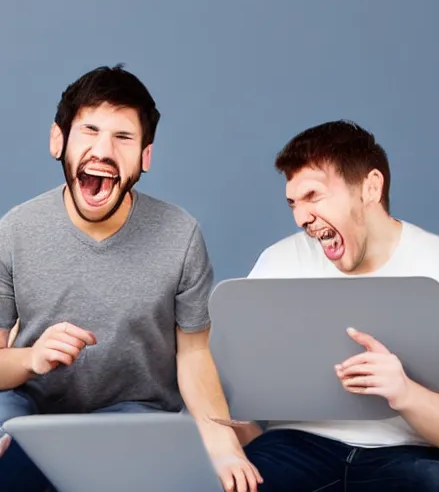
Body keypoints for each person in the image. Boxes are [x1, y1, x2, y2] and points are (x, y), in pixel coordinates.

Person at [0, 64, 262, 492]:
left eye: (123, 137)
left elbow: (194, 356)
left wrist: (223, 441)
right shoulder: (14, 231)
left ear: (145, 156)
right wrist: (31, 357)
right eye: (89, 130)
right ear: (57, 140)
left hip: (133, 412)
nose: (103, 150)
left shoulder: (180, 234)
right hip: (31, 409)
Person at [239, 120, 439, 491]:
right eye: (293, 203)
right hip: (296, 446)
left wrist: (404, 393)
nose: (300, 217)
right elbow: (230, 381)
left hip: (413, 453)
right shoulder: (278, 264)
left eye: (313, 196)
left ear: (371, 188)